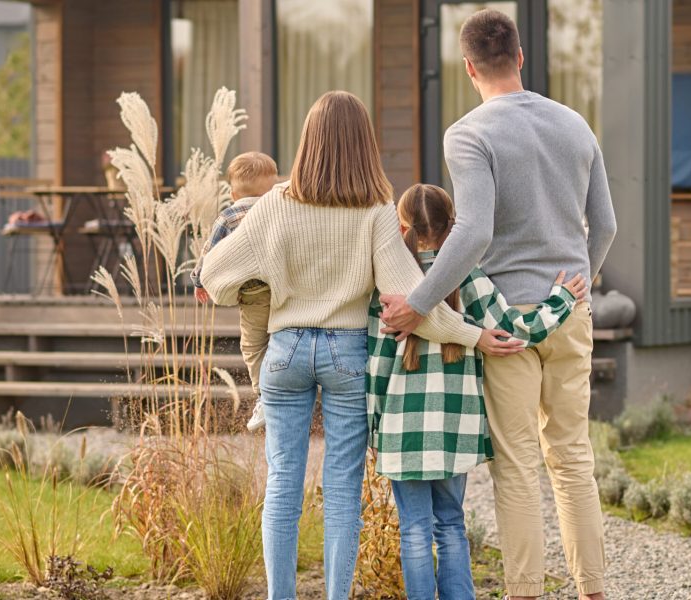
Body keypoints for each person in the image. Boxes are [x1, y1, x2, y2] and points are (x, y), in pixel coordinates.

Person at [199, 91, 525, 600]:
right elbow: (414, 305)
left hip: (283, 352)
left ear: (308, 141)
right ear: (364, 145)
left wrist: (259, 288)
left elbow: (213, 275)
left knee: (283, 483)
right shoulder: (374, 210)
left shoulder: (274, 205)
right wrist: (473, 334)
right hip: (346, 356)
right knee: (343, 491)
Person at [379, 9, 618, 599]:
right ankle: (593, 590)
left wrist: (417, 303)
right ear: (519, 58)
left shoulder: (468, 133)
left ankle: (525, 592)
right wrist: (577, 291)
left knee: (517, 467)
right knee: (572, 458)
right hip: (570, 311)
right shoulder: (575, 125)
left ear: (467, 68)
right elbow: (605, 225)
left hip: (506, 324)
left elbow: (474, 231)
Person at [368, 183, 586, 600]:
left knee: (414, 530)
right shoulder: (468, 276)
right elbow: (514, 330)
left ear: (400, 227)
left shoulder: (390, 282)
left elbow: (375, 365)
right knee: (450, 524)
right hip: (456, 426)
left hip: (401, 431)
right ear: (455, 228)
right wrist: (561, 299)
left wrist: (375, 426)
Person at [191, 151, 279, 431]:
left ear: (232, 193)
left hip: (253, 296)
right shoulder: (279, 209)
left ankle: (265, 396)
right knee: (279, 340)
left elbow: (209, 253)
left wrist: (198, 280)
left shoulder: (228, 217)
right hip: (285, 290)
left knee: (253, 346)